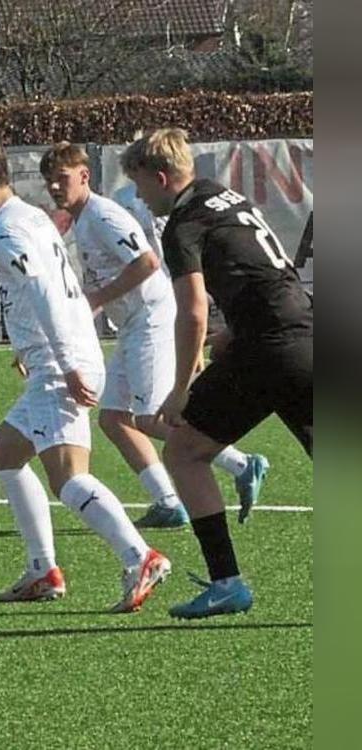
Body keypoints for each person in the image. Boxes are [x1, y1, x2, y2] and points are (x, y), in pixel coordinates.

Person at [0, 134, 170, 612]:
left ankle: (139, 556)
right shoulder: (27, 216)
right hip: (62, 354)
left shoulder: (9, 231)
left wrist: (64, 364)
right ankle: (43, 569)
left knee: (68, 479)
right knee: (4, 455)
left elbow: (44, 294)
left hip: (60, 364)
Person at [121, 129, 313, 619]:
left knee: (184, 450)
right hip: (307, 334)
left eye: (141, 185)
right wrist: (237, 331)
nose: (141, 195)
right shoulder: (227, 197)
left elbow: (192, 313)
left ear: (161, 178)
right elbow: (268, 272)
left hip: (268, 350)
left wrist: (180, 390)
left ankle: (227, 582)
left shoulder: (182, 222)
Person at [41, 142, 270, 529]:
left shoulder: (102, 214)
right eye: (49, 182)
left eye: (62, 179)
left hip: (152, 319)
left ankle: (243, 464)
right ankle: (167, 501)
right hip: (134, 324)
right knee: (113, 418)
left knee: (147, 417)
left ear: (85, 176)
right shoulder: (83, 219)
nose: (55, 188)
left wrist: (97, 298)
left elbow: (147, 262)